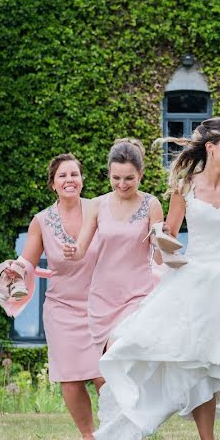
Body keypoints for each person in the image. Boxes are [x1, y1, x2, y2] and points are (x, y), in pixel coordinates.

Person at [79, 117, 220, 440]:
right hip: (198, 277)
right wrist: (162, 239)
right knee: (198, 359)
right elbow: (170, 233)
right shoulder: (185, 186)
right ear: (211, 147)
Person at [13, 153, 104, 440]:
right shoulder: (41, 221)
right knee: (71, 378)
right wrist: (14, 271)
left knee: (106, 373)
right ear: (53, 184)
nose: (69, 180)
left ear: (82, 179)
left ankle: (124, 433)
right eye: (62, 176)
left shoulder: (98, 208)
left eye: (74, 174)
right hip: (62, 307)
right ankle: (88, 437)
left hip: (101, 304)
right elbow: (27, 260)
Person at [66, 138, 163, 353]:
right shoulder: (96, 205)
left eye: (129, 178)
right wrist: (73, 251)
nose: (122, 184)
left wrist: (162, 244)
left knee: (119, 351)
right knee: (107, 371)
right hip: (103, 297)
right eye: (116, 177)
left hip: (137, 295)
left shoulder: (151, 204)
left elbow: (158, 255)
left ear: (140, 174)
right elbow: (80, 248)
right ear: (109, 173)